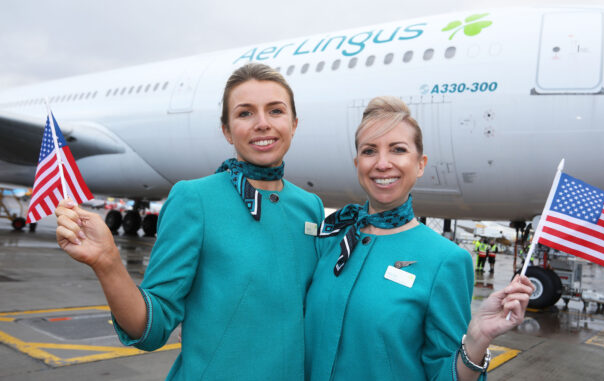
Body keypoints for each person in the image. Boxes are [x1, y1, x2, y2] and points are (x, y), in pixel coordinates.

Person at [54, 63, 324, 380]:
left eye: (275, 111)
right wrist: (108, 262)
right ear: (226, 130)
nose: (262, 124)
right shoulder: (194, 199)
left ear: (294, 124)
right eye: (245, 113)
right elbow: (150, 328)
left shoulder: (311, 207)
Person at [304, 96, 533, 381]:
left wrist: (476, 340)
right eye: (369, 151)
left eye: (398, 149)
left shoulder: (446, 260)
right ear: (357, 163)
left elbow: (443, 373)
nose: (382, 163)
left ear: (420, 164)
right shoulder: (330, 240)